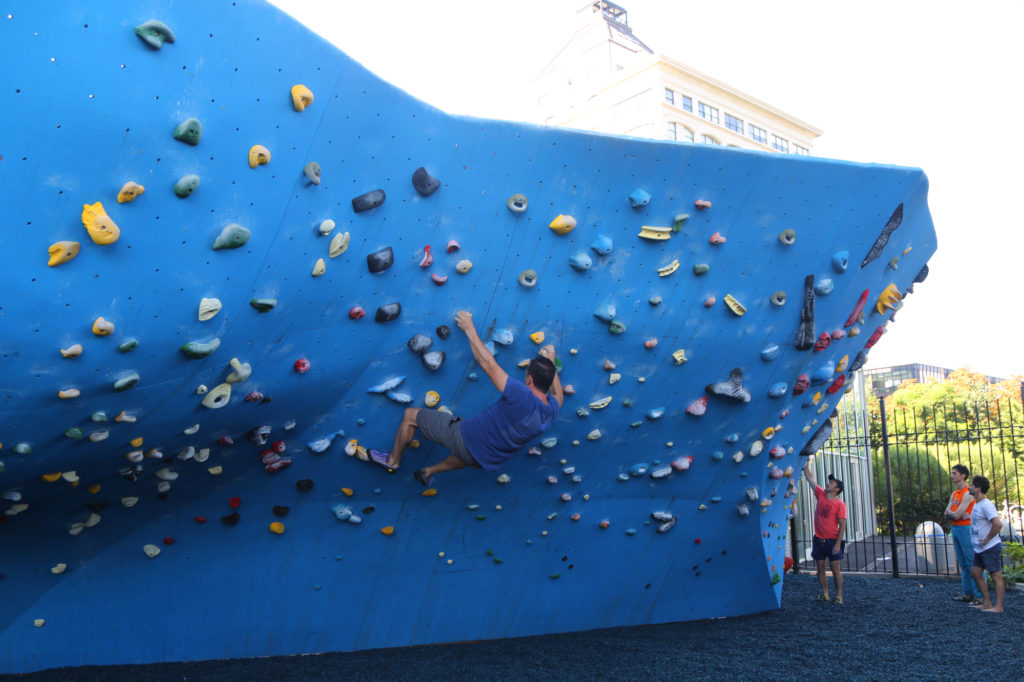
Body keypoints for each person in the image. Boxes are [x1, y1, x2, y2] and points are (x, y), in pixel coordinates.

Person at [372, 310, 563, 486]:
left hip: (466, 438)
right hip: (489, 458)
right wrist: (551, 362)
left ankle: (392, 461)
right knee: (469, 456)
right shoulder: (550, 411)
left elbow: (488, 364)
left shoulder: (522, 395)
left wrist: (469, 329)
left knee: (410, 416)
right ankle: (428, 472)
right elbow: (558, 394)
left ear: (528, 379)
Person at [803, 460, 847, 604]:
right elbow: (810, 479)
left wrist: (837, 544)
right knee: (820, 568)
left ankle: (839, 596)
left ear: (837, 489)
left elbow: (842, 525)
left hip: (832, 541)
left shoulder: (840, 505)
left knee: (836, 570)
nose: (829, 483)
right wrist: (806, 464)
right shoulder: (820, 494)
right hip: (818, 540)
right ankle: (825, 594)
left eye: (832, 483)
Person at [945, 464, 982, 604]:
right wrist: (954, 515)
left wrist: (954, 514)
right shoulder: (955, 493)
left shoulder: (968, 493)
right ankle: (968, 593)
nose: (952, 475)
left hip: (966, 529)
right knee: (963, 563)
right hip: (956, 529)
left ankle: (979, 595)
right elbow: (949, 513)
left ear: (963, 476)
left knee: (972, 562)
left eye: (954, 473)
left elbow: (955, 514)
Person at [968, 475, 1005, 613]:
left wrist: (988, 538)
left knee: (996, 575)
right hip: (980, 548)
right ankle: (987, 603)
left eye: (971, 485)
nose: (969, 487)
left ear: (978, 488)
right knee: (975, 573)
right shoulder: (977, 504)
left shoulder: (986, 505)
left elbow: (998, 524)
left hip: (989, 547)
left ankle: (998, 607)